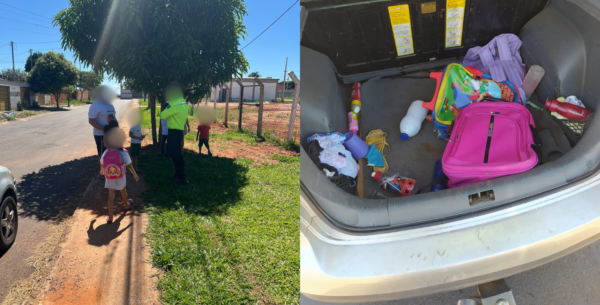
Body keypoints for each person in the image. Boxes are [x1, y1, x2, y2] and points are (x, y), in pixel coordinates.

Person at [100, 121, 139, 224]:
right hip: (120, 176)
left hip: (109, 176)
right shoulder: (123, 152)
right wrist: (135, 175)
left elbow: (102, 163)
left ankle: (110, 217)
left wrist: (101, 170)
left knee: (111, 195)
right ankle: (126, 205)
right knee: (123, 191)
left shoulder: (106, 152)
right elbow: (129, 165)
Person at [160, 82, 189, 185]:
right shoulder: (184, 103)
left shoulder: (173, 104)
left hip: (173, 132)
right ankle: (178, 173)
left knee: (175, 155)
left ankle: (182, 178)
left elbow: (163, 115)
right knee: (177, 154)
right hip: (179, 132)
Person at [88, 85, 117, 177]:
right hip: (100, 134)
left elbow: (114, 118)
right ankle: (102, 174)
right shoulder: (95, 105)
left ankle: (109, 170)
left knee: (110, 152)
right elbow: (91, 120)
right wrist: (104, 129)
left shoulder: (110, 105)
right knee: (102, 154)